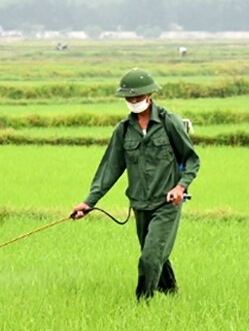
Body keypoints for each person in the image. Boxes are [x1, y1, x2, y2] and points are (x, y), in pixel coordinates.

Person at [70, 68, 200, 300]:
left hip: (166, 203)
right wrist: (88, 203)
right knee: (155, 252)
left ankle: (142, 305)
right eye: (129, 98)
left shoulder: (169, 122)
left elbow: (191, 160)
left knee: (150, 256)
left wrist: (181, 187)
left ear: (149, 95)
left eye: (138, 97)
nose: (133, 102)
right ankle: (172, 296)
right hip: (140, 204)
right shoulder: (123, 130)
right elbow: (109, 170)